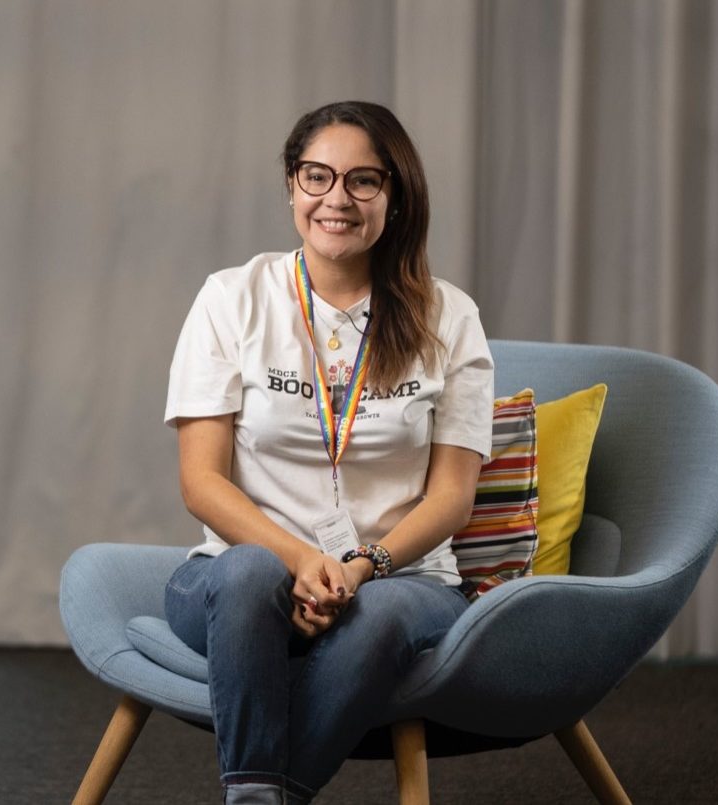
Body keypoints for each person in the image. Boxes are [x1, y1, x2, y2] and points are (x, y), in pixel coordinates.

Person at [163, 100, 495, 805]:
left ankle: (258, 795)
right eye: (317, 176)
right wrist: (299, 562)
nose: (335, 199)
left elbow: (451, 496)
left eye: (363, 181)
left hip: (399, 583)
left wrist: (359, 568)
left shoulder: (450, 316)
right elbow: (201, 481)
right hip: (242, 585)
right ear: (291, 186)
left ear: (395, 198)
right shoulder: (231, 298)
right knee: (251, 573)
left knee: (385, 614)